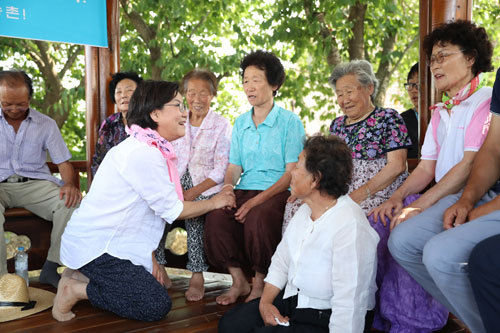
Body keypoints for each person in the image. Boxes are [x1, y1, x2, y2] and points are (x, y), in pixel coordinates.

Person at [51, 80, 235, 322]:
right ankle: (74, 289)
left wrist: (149, 259)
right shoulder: (143, 153)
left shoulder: (149, 147)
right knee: (155, 304)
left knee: (150, 289)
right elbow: (173, 209)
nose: (185, 112)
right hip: (100, 248)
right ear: (155, 113)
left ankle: (80, 276)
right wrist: (216, 201)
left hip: (107, 244)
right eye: (178, 105)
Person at [384, 20, 495, 332]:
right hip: (448, 195)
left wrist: (418, 206)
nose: (434, 65)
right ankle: (474, 316)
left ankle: (483, 321)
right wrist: (398, 198)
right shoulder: (440, 110)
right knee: (401, 241)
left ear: (471, 58)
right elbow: (425, 168)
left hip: (477, 193)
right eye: (432, 59)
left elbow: (468, 168)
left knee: (434, 252)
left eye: (443, 56)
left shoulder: (486, 100)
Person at [218, 135, 379, 332]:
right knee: (231, 324)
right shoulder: (305, 210)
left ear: (315, 179)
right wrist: (266, 303)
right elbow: (281, 262)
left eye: (298, 166)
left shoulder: (350, 225)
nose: (291, 172)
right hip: (295, 301)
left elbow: (349, 302)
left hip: (326, 315)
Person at [204, 50, 305, 306]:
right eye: (246, 80)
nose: (249, 86)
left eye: (256, 79)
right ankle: (238, 281)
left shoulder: (289, 122)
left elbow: (290, 173)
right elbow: (235, 166)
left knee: (258, 219)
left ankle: (260, 282)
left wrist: (255, 202)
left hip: (276, 191)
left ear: (274, 84)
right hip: (244, 189)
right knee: (216, 217)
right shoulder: (240, 123)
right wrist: (227, 188)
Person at [0, 70, 81, 288]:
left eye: (20, 104)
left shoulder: (46, 124)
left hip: (35, 185)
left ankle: (51, 267)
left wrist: (70, 184)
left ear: (30, 98)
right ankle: (2, 279)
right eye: (7, 104)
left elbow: (63, 163)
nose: (14, 109)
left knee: (69, 203)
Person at [156, 68, 231, 301]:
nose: (197, 99)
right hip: (175, 180)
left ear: (212, 95)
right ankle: (157, 267)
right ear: (184, 94)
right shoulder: (177, 118)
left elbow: (221, 169)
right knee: (158, 208)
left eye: (203, 93)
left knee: (196, 211)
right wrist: (174, 189)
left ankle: (196, 274)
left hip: (204, 185)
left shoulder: (221, 125)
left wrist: (192, 192)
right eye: (191, 93)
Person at [90, 71, 143, 177]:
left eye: (129, 90)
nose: (123, 95)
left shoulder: (149, 121)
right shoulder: (109, 124)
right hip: (113, 183)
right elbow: (99, 161)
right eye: (118, 92)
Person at [401, 63, 420, 159]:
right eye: (410, 85)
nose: (413, 90)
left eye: (418, 85)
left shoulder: (445, 114)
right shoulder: (402, 120)